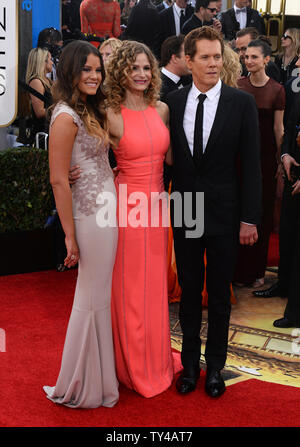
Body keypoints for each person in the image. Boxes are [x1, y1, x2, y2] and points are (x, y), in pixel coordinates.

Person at [165, 26, 261, 397]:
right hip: (185, 207)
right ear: (188, 61)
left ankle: (216, 368)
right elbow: (164, 159)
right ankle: (189, 366)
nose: (212, 63)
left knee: (219, 294)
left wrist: (249, 218)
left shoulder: (241, 103)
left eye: (217, 56)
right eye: (204, 57)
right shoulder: (171, 103)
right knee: (189, 291)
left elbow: (251, 166)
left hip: (225, 211)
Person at [43, 40, 119, 408]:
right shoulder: (64, 116)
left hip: (107, 210)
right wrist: (69, 236)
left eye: (97, 69)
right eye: (86, 69)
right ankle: (79, 383)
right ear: (71, 71)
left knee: (97, 296)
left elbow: (95, 162)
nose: (94, 75)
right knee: (90, 297)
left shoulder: (86, 109)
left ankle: (98, 379)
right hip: (89, 216)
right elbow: (59, 179)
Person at [105, 40, 181, 397]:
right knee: (130, 290)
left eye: (146, 68)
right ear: (120, 71)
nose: (140, 74)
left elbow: (171, 160)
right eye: (133, 68)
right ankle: (131, 365)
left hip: (157, 208)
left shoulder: (162, 109)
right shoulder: (109, 112)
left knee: (155, 290)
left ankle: (157, 359)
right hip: (124, 209)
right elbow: (89, 157)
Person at [233, 39, 285, 288]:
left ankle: (256, 270)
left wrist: (279, 163)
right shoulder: (237, 86)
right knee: (236, 210)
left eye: (254, 57)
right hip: (238, 157)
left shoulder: (277, 90)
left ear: (266, 59)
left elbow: (278, 129)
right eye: (246, 56)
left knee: (261, 215)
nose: (248, 60)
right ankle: (237, 269)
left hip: (264, 160)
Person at [272, 84, 300, 329]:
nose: (298, 64)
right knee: (288, 235)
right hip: (294, 174)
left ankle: (296, 312)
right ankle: (283, 286)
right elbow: (291, 127)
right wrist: (286, 155)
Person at [25, 47, 53, 143]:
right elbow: (39, 112)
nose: (52, 63)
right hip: (42, 134)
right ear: (43, 62)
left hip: (51, 130)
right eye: (50, 59)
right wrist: (59, 111)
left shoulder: (48, 81)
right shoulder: (36, 82)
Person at [160, 34, 191, 103]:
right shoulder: (157, 88)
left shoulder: (189, 79)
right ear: (175, 58)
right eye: (187, 56)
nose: (192, 60)